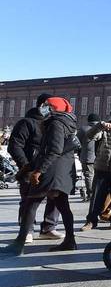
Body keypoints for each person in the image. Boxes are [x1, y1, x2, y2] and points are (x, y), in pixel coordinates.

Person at [2, 97, 79, 255]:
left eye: (46, 106)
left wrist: (38, 171)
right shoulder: (65, 121)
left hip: (52, 170)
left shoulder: (56, 123)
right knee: (63, 205)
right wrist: (28, 167)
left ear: (53, 108)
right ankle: (70, 241)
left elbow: (53, 150)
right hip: (60, 169)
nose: (42, 108)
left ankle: (18, 244)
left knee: (31, 203)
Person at [7, 93, 64, 242]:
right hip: (31, 168)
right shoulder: (27, 122)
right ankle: (27, 230)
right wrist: (25, 165)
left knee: (54, 198)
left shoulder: (54, 123)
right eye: (50, 106)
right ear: (42, 105)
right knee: (28, 200)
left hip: (50, 168)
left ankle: (48, 228)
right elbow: (14, 146)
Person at [77, 113, 101, 203]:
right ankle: (98, 194)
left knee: (88, 176)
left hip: (87, 157)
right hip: (101, 157)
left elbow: (76, 142)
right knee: (98, 176)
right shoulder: (102, 129)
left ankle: (90, 195)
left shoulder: (83, 129)